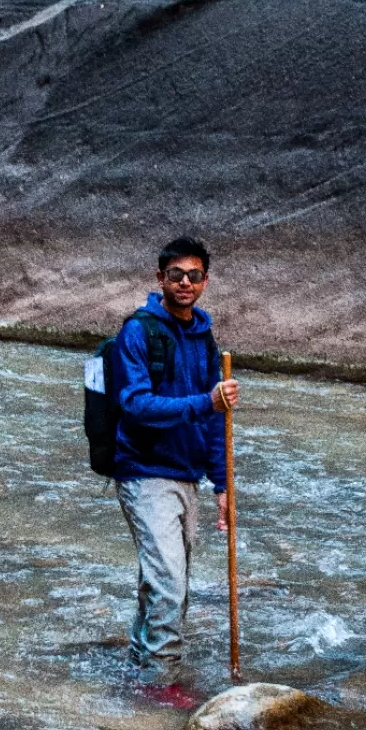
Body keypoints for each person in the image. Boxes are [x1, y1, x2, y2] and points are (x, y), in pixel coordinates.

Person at [111, 235, 239, 695]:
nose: (185, 283)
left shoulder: (205, 339)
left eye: (194, 275)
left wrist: (222, 485)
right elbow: (135, 405)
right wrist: (204, 401)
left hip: (186, 475)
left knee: (165, 582)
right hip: (143, 472)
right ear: (159, 277)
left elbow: (214, 423)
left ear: (205, 280)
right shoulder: (138, 333)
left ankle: (137, 674)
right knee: (169, 585)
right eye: (176, 274)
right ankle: (162, 689)